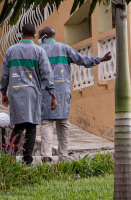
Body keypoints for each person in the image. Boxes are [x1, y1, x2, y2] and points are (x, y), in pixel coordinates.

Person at [37, 27, 108, 163]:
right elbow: (83, 60)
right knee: (63, 123)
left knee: (46, 122)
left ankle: (47, 155)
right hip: (63, 92)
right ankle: (63, 155)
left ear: (44, 36)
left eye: (40, 36)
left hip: (45, 92)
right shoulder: (65, 48)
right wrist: (101, 59)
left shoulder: (39, 51)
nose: (39, 39)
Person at [0, 22, 55, 165]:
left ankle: (10, 156)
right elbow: (47, 74)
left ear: (21, 35)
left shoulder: (11, 51)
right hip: (32, 93)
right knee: (31, 126)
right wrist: (52, 94)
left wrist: (3, 92)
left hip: (15, 92)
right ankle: (27, 159)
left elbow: (4, 74)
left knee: (18, 125)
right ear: (35, 36)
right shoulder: (39, 51)